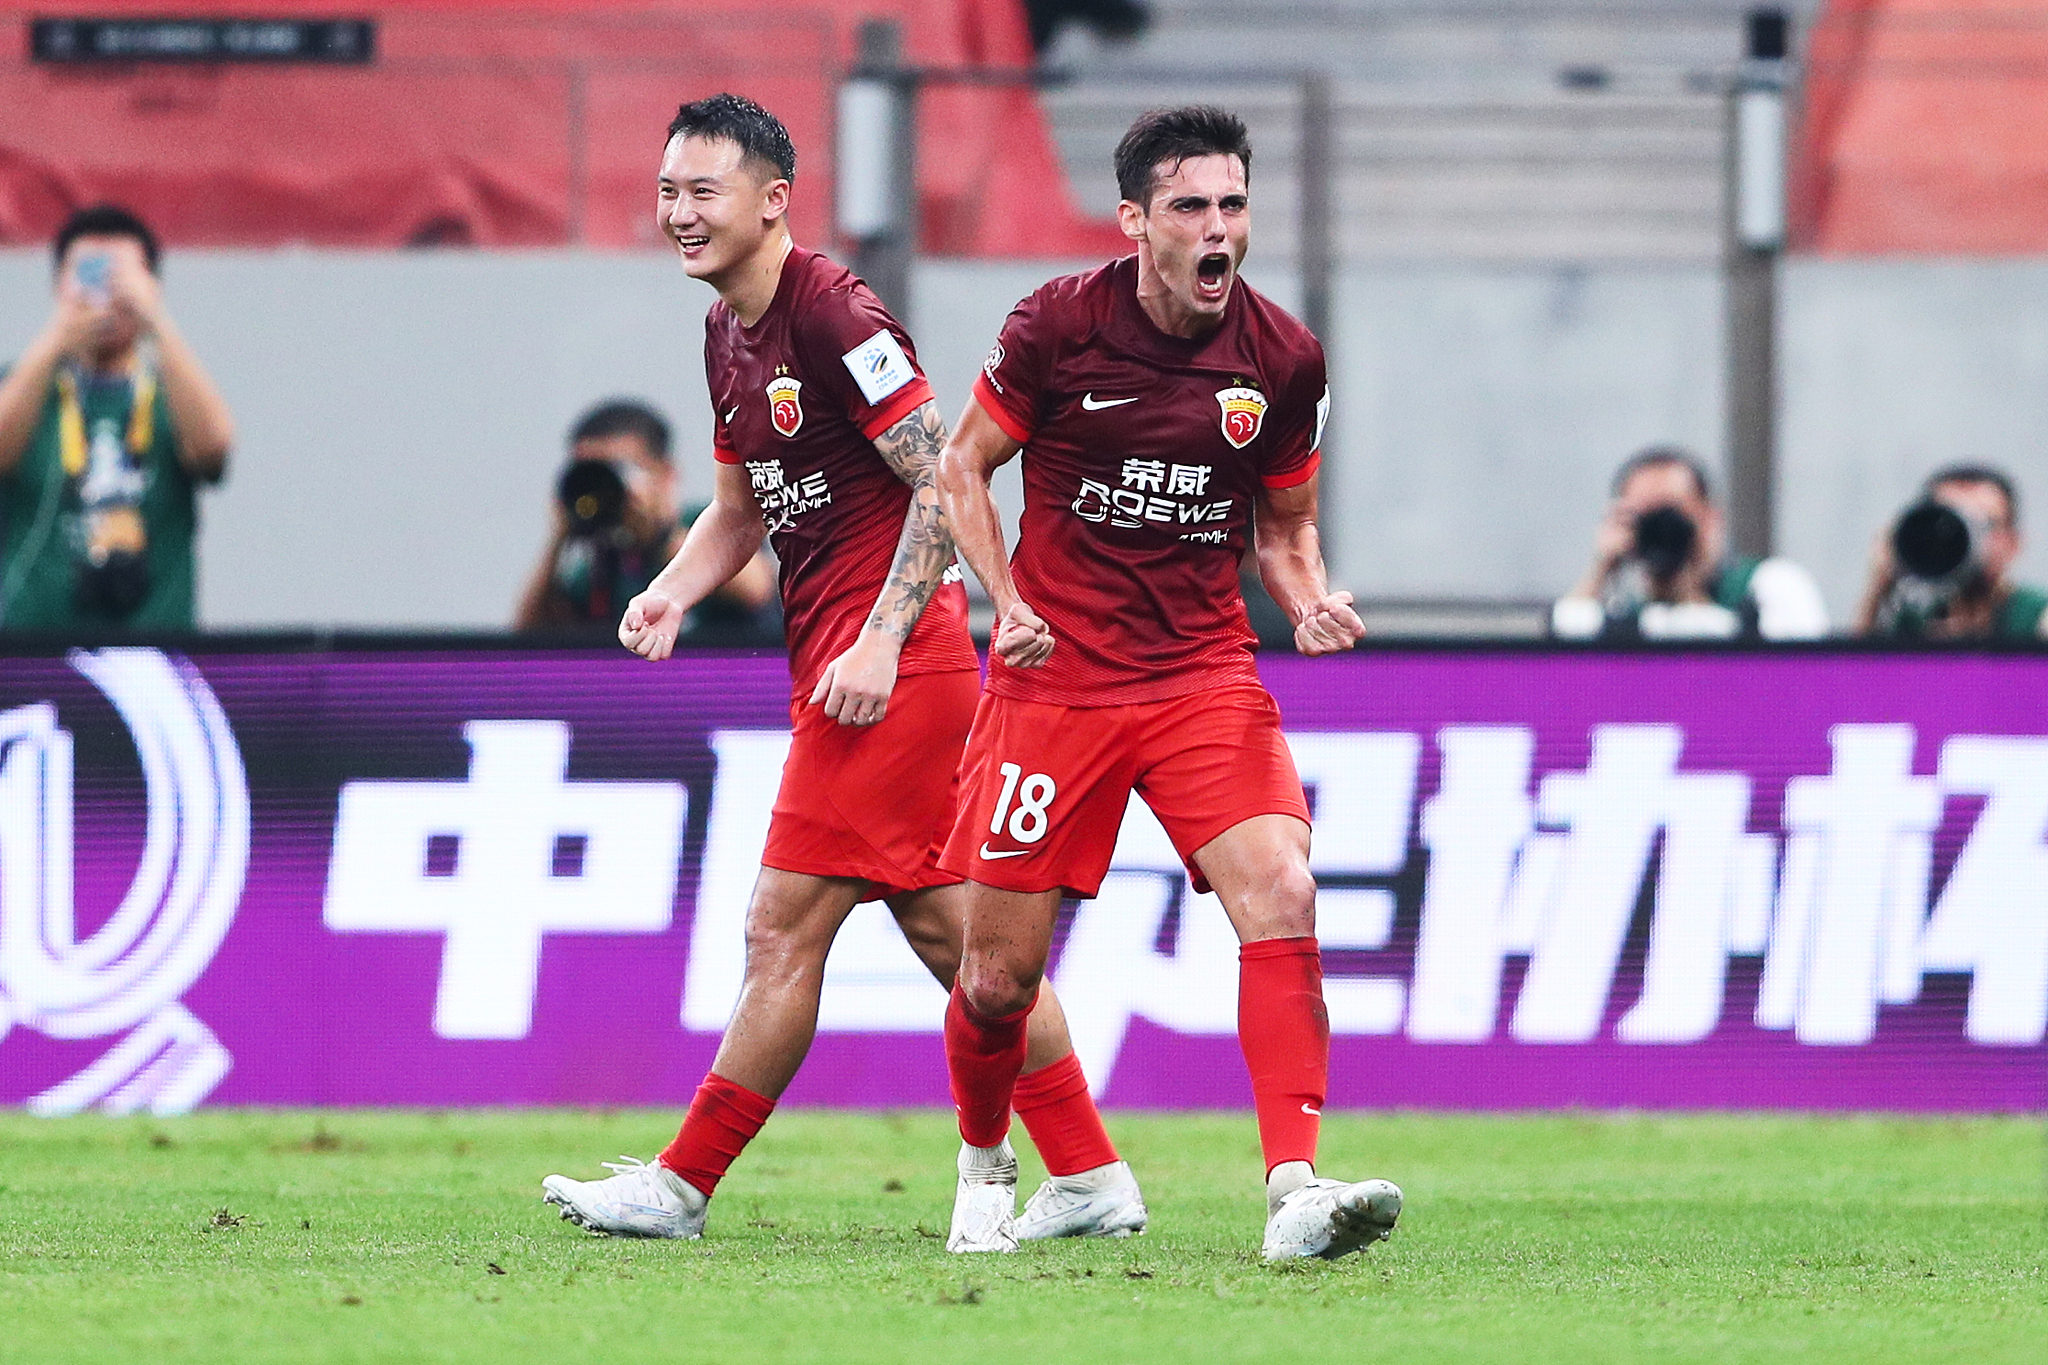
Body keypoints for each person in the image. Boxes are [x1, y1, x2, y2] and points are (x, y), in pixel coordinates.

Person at [540, 94, 1143, 1244]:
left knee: (783, 927)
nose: (679, 213)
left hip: (892, 671)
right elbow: (737, 511)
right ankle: (1088, 1170)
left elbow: (943, 475)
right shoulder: (728, 330)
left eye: (702, 191)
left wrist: (879, 634)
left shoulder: (831, 313)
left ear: (774, 201)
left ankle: (681, 1183)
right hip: (848, 666)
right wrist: (669, 588)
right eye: (667, 191)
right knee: (958, 942)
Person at [931, 105, 1400, 1261]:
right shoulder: (1055, 325)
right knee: (996, 978)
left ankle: (1294, 1188)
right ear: (1135, 219)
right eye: (1190, 207)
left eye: (1232, 206)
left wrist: (1306, 598)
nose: (1217, 230)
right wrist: (1010, 601)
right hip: (1057, 685)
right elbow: (961, 468)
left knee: (1282, 891)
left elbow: (1282, 530)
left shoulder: (1282, 360)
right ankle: (988, 1164)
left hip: (1200, 675)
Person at [0, 204, 234, 630]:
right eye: (89, 273)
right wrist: (57, 338)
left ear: (151, 284)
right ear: (57, 285)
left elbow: (215, 451)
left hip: (156, 656)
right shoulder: (24, 385)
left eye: (121, 275)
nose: (105, 290)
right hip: (30, 656)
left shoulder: (172, 389)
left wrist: (155, 321)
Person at [512, 398, 777, 639]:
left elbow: (758, 590)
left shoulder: (709, 522)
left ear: (666, 474)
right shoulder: (600, 563)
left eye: (621, 470)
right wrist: (559, 538)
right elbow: (527, 636)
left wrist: (659, 536)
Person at [1550, 446, 1829, 641]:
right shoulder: (1625, 615)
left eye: (1673, 515)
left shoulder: (1767, 587)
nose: (1662, 531)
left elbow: (1803, 675)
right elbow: (1559, 656)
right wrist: (1601, 568)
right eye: (1646, 520)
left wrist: (1689, 592)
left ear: (1711, 519)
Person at [1855, 463, 2048, 640]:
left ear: (2013, 544)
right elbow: (1857, 671)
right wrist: (1879, 585)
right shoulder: (1912, 617)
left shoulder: (2034, 615)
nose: (1965, 538)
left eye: (1984, 524)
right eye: (1950, 524)